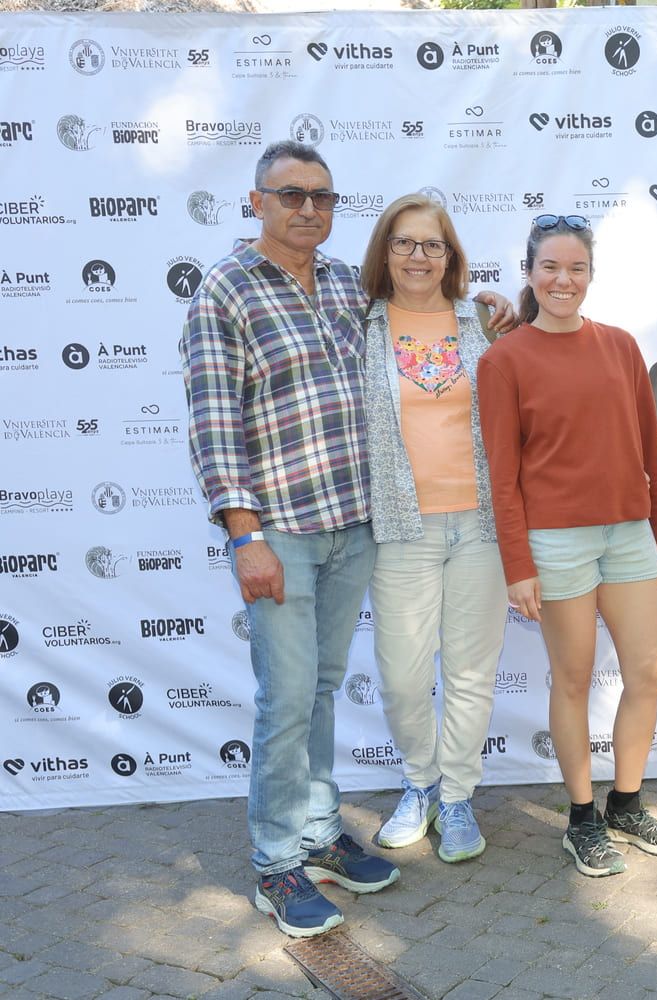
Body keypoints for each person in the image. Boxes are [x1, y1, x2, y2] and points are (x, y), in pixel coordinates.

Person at [182, 141, 397, 937]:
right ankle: (277, 864)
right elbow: (214, 423)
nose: (309, 209)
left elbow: (419, 333)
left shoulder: (345, 282)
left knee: (320, 690)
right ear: (257, 202)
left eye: (322, 197)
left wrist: (487, 309)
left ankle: (319, 832)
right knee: (286, 699)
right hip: (280, 531)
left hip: (353, 522)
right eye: (291, 195)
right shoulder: (225, 289)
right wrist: (246, 537)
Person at [477, 214, 657, 877]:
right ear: (529, 273)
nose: (563, 280)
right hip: (555, 542)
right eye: (550, 267)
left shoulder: (620, 347)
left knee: (649, 670)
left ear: (591, 274)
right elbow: (502, 477)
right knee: (572, 679)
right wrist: (518, 565)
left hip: (627, 534)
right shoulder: (503, 360)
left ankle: (626, 804)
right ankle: (581, 818)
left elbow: (650, 450)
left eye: (576, 268)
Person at [359, 194, 505, 864]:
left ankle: (457, 796)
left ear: (451, 256)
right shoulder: (357, 323)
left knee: (471, 673)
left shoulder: (484, 321)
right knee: (403, 677)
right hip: (401, 527)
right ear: (384, 252)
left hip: (481, 525)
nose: (418, 256)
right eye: (404, 242)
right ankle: (419, 783)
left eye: (432, 244)